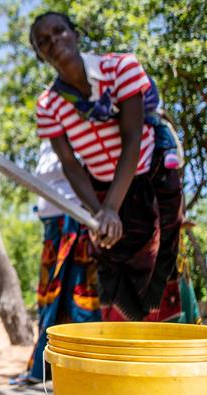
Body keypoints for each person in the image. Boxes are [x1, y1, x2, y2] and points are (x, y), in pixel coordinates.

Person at [30, 12, 185, 321]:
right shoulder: (48, 106)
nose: (53, 41)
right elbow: (72, 167)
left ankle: (158, 354)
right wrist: (97, 213)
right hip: (99, 192)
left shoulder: (120, 68)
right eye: (43, 41)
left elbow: (133, 141)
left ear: (75, 33)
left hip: (148, 180)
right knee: (113, 275)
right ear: (39, 54)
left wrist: (111, 208)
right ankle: (120, 356)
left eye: (59, 31)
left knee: (155, 270)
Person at [13, 142, 100, 385]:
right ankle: (44, 369)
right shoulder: (47, 139)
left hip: (77, 224)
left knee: (79, 299)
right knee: (49, 300)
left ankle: (86, 372)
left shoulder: (82, 126)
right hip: (52, 228)